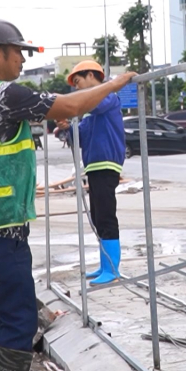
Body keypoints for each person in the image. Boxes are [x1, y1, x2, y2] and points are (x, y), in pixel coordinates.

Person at [0, 18, 136, 371]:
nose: (22, 60)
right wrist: (114, 83)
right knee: (19, 321)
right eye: (18, 52)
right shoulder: (5, 93)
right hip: (1, 228)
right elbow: (68, 106)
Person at [57, 60, 128, 285]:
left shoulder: (108, 98)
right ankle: (105, 264)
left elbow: (93, 104)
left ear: (91, 75)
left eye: (78, 82)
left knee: (106, 216)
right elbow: (81, 137)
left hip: (107, 165)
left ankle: (112, 270)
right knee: (98, 216)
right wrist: (67, 129)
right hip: (95, 167)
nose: (77, 88)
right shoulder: (90, 112)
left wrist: (77, 105)